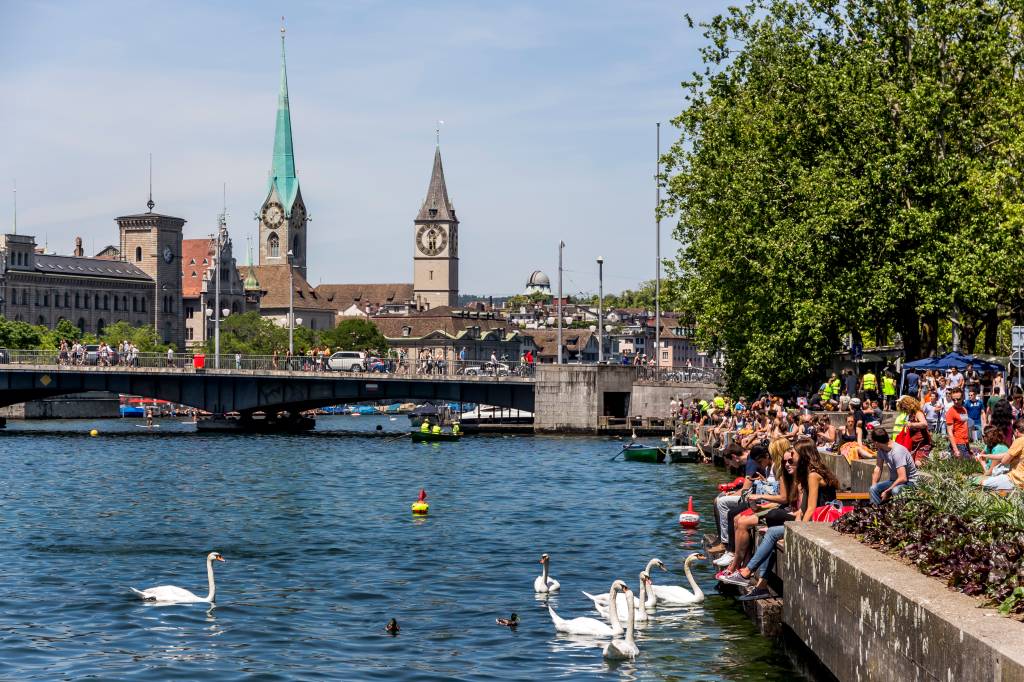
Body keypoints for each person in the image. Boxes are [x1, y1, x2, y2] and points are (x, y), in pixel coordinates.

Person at [866, 426, 919, 505]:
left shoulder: (897, 452)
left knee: (895, 490)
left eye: (872, 442)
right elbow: (878, 468)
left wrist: (887, 491)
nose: (873, 444)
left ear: (876, 442)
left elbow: (903, 478)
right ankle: (877, 512)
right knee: (873, 489)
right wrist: (874, 486)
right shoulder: (881, 449)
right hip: (894, 481)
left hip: (910, 483)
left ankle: (899, 513)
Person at [979, 418, 1024, 492]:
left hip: (1016, 479)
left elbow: (1004, 461)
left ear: (1016, 431)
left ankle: (1008, 491)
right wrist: (986, 456)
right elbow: (1005, 454)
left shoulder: (1019, 440)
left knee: (983, 484)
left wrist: (982, 461)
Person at [894, 395, 931, 462]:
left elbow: (924, 424)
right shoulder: (911, 414)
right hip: (914, 443)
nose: (902, 407)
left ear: (908, 404)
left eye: (902, 404)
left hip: (922, 443)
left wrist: (912, 424)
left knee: (918, 463)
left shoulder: (918, 413)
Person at [945, 389, 971, 458]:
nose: (956, 401)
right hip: (958, 444)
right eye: (953, 400)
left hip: (964, 443)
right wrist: (955, 450)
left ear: (962, 398)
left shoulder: (964, 409)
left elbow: (965, 427)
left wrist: (968, 447)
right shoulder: (951, 412)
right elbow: (949, 432)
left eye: (958, 399)